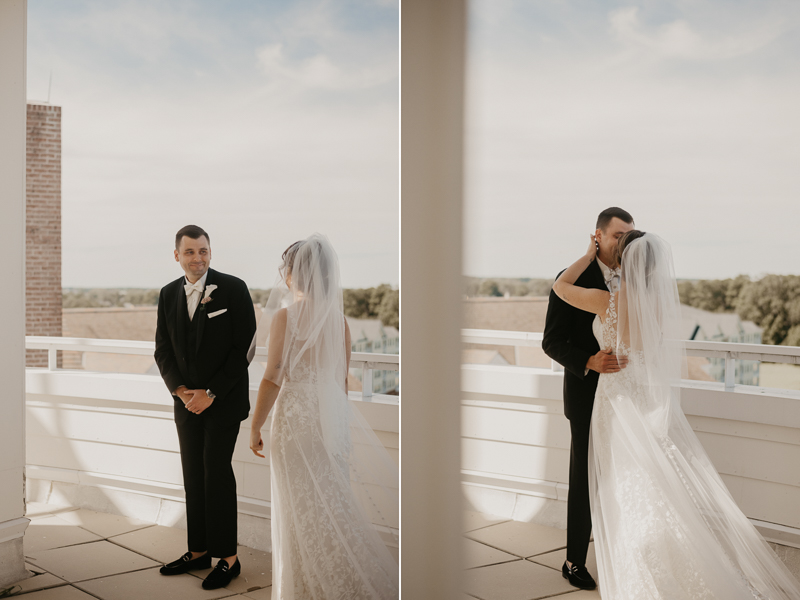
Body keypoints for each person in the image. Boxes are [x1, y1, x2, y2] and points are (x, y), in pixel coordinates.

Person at [551, 230, 800, 599]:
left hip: (614, 400)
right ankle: (662, 558)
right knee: (648, 482)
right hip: (639, 397)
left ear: (625, 261)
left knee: (621, 486)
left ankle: (640, 567)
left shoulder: (609, 302)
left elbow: (560, 287)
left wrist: (589, 253)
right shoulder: (656, 308)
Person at [249, 233, 399, 599]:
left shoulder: (286, 317)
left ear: (292, 276)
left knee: (298, 507)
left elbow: (272, 376)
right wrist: (339, 430)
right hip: (330, 419)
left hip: (296, 420)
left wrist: (255, 425)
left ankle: (304, 587)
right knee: (332, 503)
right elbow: (341, 385)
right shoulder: (340, 323)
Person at [154, 225, 257, 590]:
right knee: (192, 476)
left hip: (223, 402)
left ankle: (227, 558)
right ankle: (197, 551)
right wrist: (181, 391)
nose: (198, 258)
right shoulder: (167, 294)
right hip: (186, 405)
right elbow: (162, 350)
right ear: (177, 255)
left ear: (210, 252)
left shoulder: (233, 288)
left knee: (216, 474)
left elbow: (244, 347)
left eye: (203, 251)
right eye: (190, 252)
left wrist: (210, 392)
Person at [542, 207, 634, 590]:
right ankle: (573, 561)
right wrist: (589, 361)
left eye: (629, 235)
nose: (623, 243)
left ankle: (624, 552)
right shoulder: (574, 277)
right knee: (583, 478)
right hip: (585, 393)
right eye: (617, 236)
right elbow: (550, 341)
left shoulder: (635, 278)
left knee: (625, 474)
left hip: (626, 396)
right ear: (598, 235)